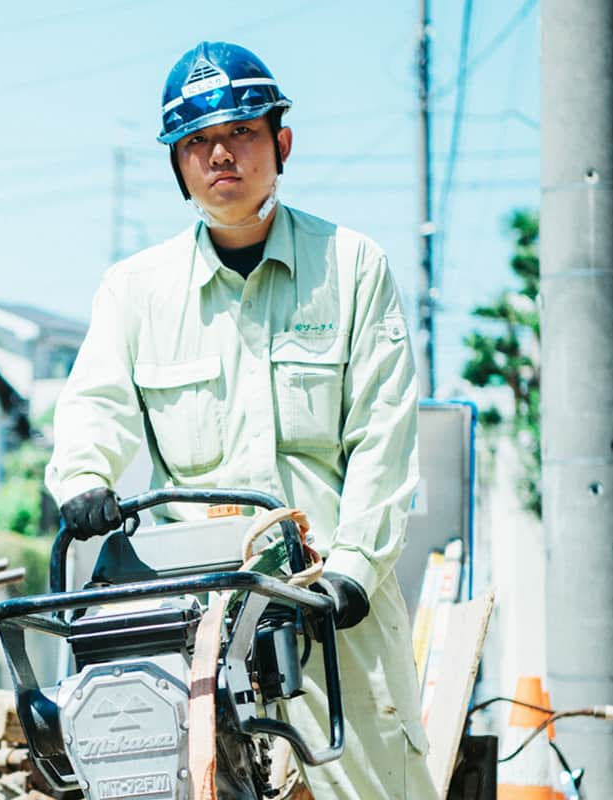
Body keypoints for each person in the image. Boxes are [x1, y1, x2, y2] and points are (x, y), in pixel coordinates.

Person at [45, 40, 435, 798]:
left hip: (328, 586)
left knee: (381, 779)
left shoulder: (351, 268)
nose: (221, 154)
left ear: (281, 142)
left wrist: (353, 574)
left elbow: (384, 437)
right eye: (197, 142)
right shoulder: (135, 291)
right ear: (178, 165)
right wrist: (85, 480)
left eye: (242, 132)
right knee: (156, 775)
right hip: (193, 595)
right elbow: (93, 407)